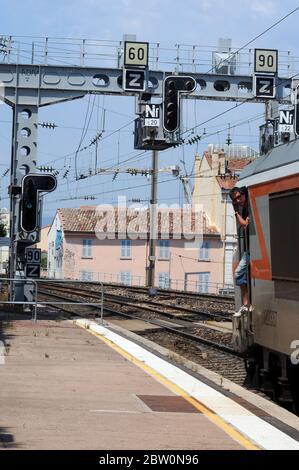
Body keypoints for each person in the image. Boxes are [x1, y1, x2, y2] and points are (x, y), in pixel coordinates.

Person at [230, 186, 251, 316]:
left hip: (252, 249)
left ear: (244, 194)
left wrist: (236, 212)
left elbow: (244, 224)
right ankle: (246, 304)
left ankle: (246, 305)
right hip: (248, 247)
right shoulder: (244, 208)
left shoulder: (248, 208)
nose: (238, 200)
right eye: (235, 199)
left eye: (239, 197)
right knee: (239, 274)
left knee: (238, 272)